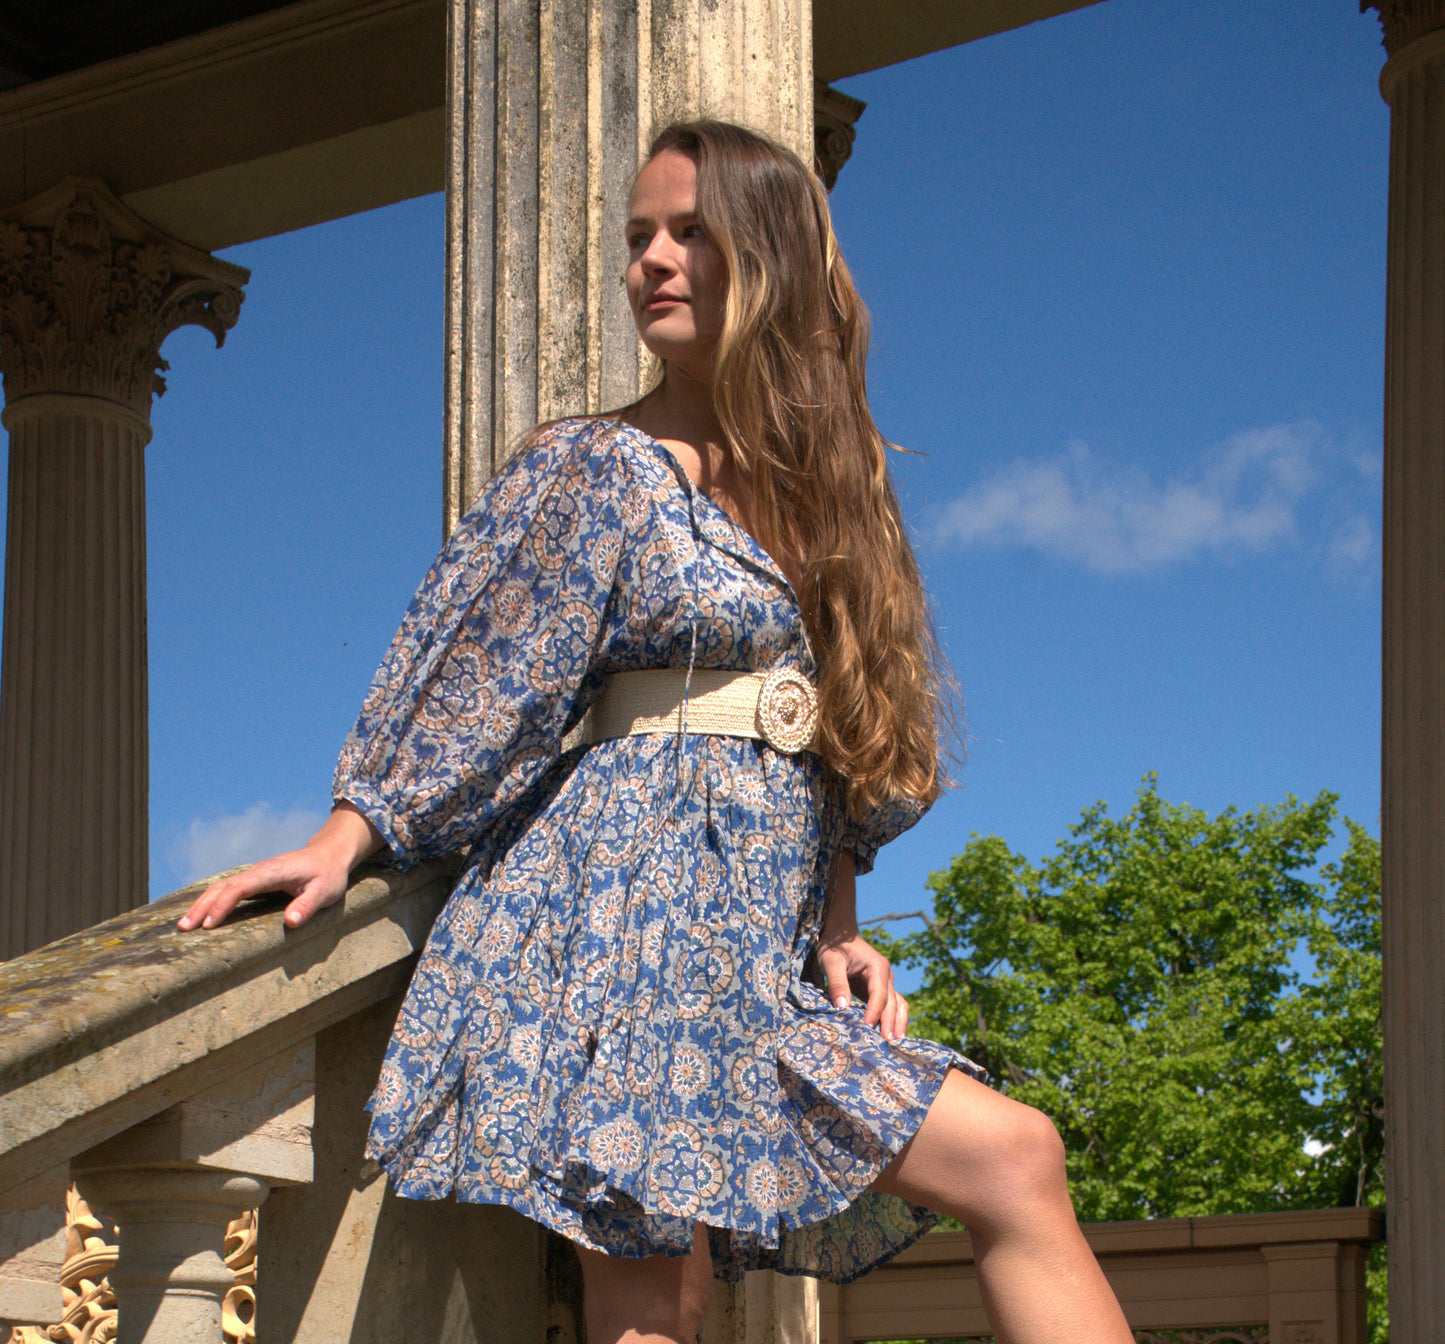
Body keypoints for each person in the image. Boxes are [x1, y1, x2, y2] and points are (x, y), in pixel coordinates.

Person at [178, 120, 1132, 1344]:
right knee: (653, 1309)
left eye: (690, 232)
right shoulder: (592, 466)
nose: (652, 262)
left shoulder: (832, 488)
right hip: (620, 922)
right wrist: (347, 831)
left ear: (770, 258)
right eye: (639, 238)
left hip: (753, 956)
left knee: (1016, 1162)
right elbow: (480, 671)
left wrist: (839, 921)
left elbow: (844, 730)